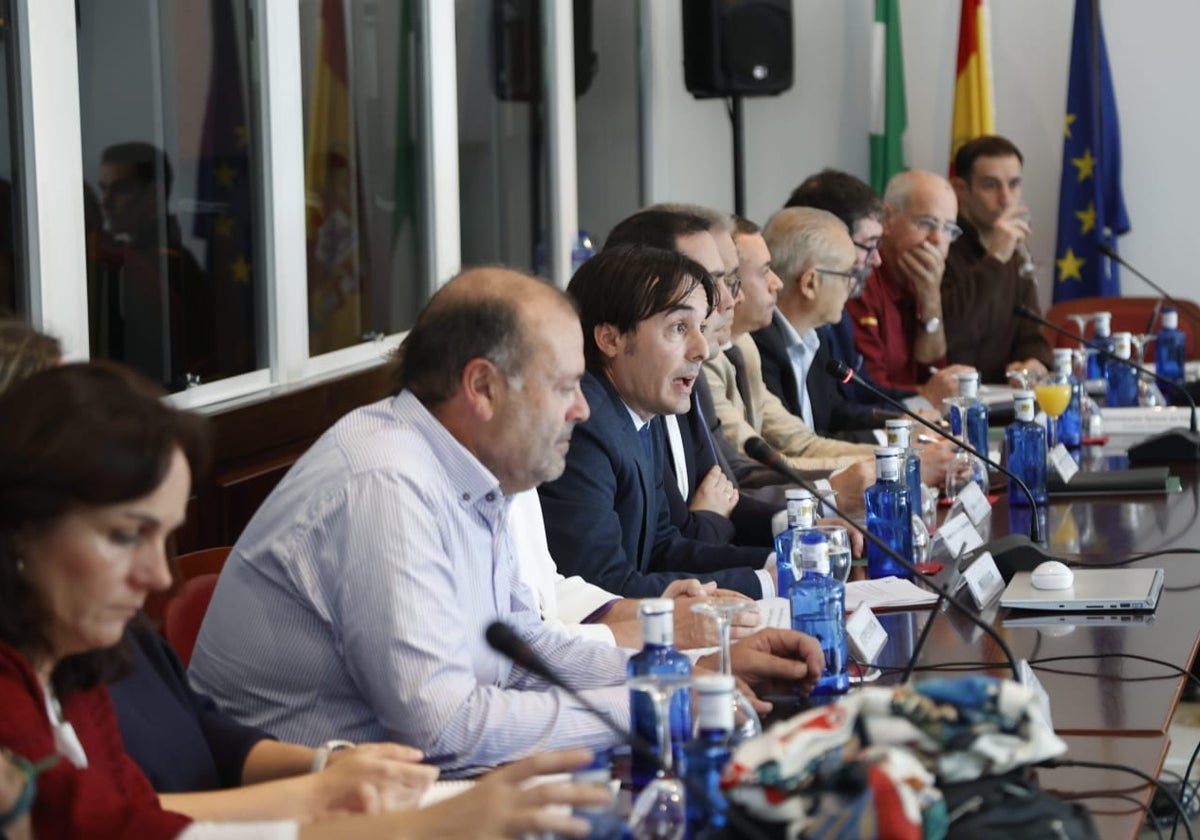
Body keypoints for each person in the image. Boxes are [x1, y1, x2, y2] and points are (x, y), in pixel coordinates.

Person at [191, 267, 823, 775]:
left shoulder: (468, 471)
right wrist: (659, 704)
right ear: (482, 387)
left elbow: (519, 650)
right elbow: (444, 731)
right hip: (325, 807)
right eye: (564, 386)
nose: (581, 409)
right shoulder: (385, 484)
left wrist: (695, 668)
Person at [0, 360, 620, 839]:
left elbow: (191, 742)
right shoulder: (383, 478)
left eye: (162, 538)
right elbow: (110, 826)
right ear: (22, 523)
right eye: (124, 536)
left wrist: (327, 772)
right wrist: (401, 818)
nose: (157, 577)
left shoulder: (86, 647)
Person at [745, 211, 883, 440]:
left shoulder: (814, 335)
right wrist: (887, 441)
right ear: (810, 283)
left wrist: (899, 423)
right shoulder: (760, 349)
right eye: (847, 274)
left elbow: (831, 412)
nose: (852, 285)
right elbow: (792, 444)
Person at [845, 170, 975, 408]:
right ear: (888, 218)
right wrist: (928, 393)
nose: (938, 239)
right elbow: (872, 389)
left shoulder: (922, 279)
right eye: (927, 223)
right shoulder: (860, 277)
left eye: (949, 229)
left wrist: (931, 299)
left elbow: (929, 375)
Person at [92, 142, 212, 391]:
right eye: (103, 189)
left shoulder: (169, 265)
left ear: (154, 194)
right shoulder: (129, 257)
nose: (106, 203)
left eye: (120, 190)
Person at [945, 135, 1053, 383]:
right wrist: (994, 259)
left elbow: (1032, 336)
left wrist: (1034, 363)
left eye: (1014, 184)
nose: (1006, 198)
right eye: (991, 185)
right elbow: (948, 334)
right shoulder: (942, 246)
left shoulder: (1015, 254)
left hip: (1004, 402)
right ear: (962, 190)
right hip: (951, 403)